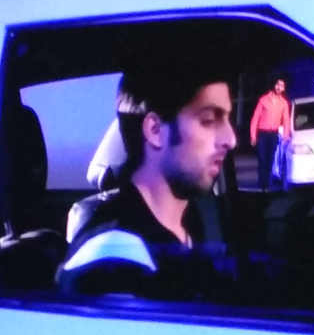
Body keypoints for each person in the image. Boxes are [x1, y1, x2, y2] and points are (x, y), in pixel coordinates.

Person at [56, 59, 238, 299]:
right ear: (155, 130)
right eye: (209, 120)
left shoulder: (193, 222)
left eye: (227, 119)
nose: (231, 139)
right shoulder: (111, 259)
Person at [250, 78, 291, 190]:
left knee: (270, 159)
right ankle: (261, 184)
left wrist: (286, 135)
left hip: (273, 134)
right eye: (278, 85)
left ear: (284, 89)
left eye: (282, 86)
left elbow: (286, 120)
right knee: (262, 158)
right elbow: (255, 118)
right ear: (274, 85)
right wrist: (253, 135)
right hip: (262, 133)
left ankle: (267, 185)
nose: (279, 87)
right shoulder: (263, 100)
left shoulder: (284, 103)